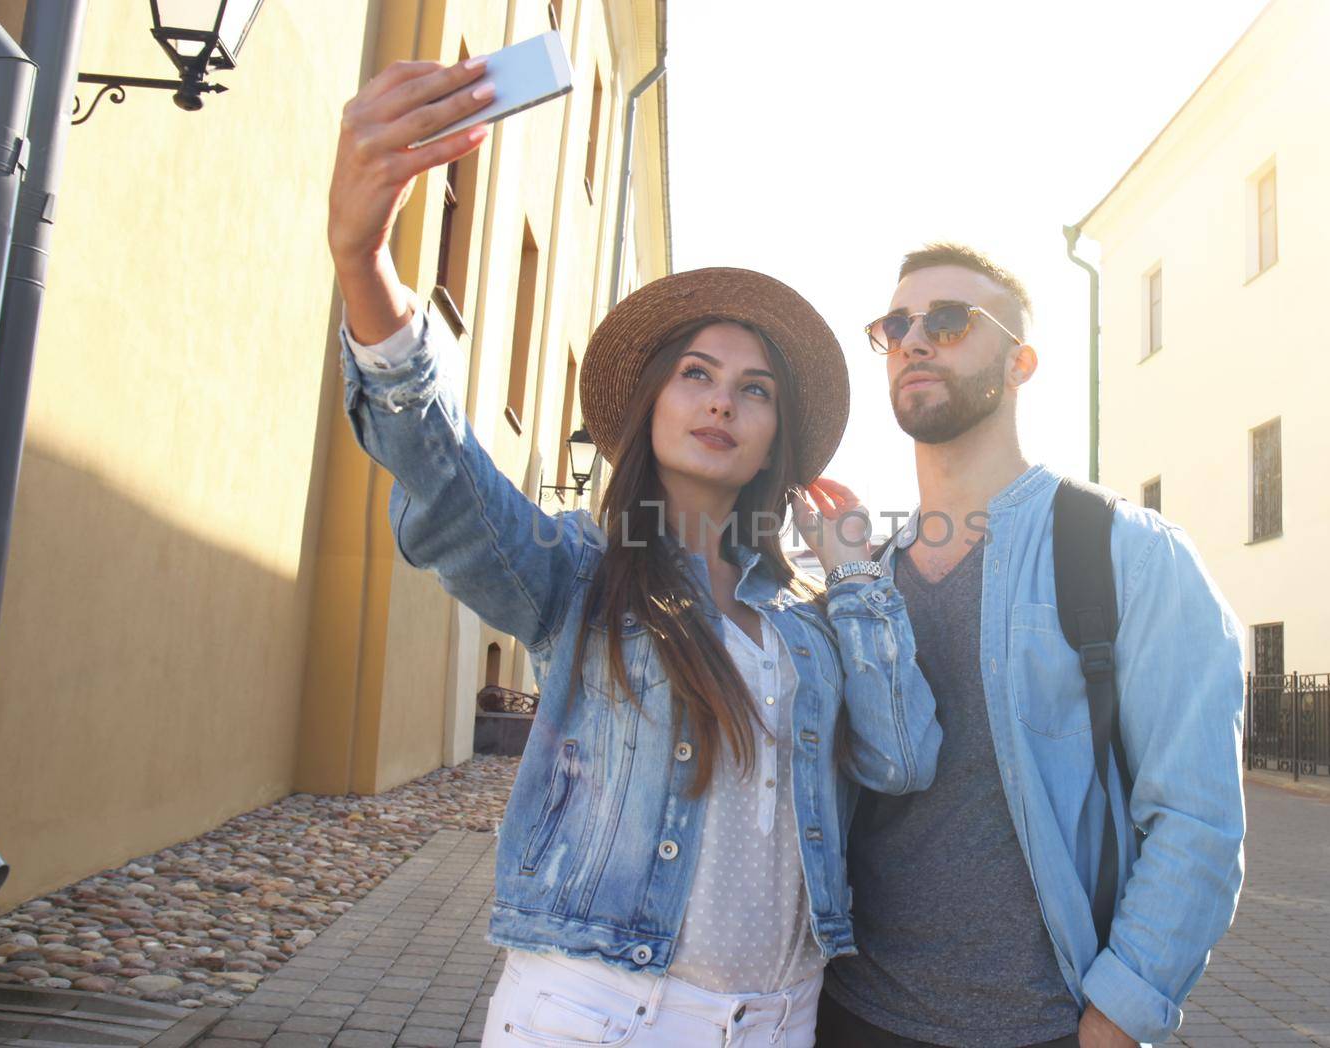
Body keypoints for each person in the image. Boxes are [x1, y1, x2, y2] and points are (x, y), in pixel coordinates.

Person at [326, 58, 941, 1048]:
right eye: (695, 374)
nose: (719, 401)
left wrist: (862, 581)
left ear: (773, 435)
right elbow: (445, 481)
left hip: (784, 1020)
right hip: (600, 1015)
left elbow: (904, 759)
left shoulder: (808, 628)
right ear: (651, 400)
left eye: (753, 389)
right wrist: (365, 265)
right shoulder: (576, 572)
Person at [817, 244, 1247, 1048]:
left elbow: (1198, 816)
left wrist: (1119, 1015)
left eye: (948, 321)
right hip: (852, 1014)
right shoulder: (864, 580)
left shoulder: (1128, 553)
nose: (914, 340)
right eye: (897, 324)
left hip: (1043, 1028)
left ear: (1020, 364)